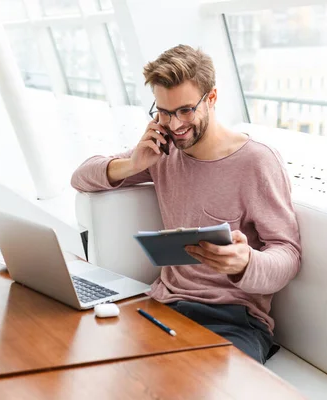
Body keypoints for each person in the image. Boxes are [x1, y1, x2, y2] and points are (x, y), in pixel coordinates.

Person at [70, 44, 301, 364]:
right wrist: (134, 163)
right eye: (163, 112)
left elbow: (288, 254)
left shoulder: (257, 162)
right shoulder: (163, 152)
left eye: (185, 110)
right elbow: (80, 177)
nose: (175, 124)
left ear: (212, 99)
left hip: (233, 320)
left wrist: (245, 263)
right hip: (165, 307)